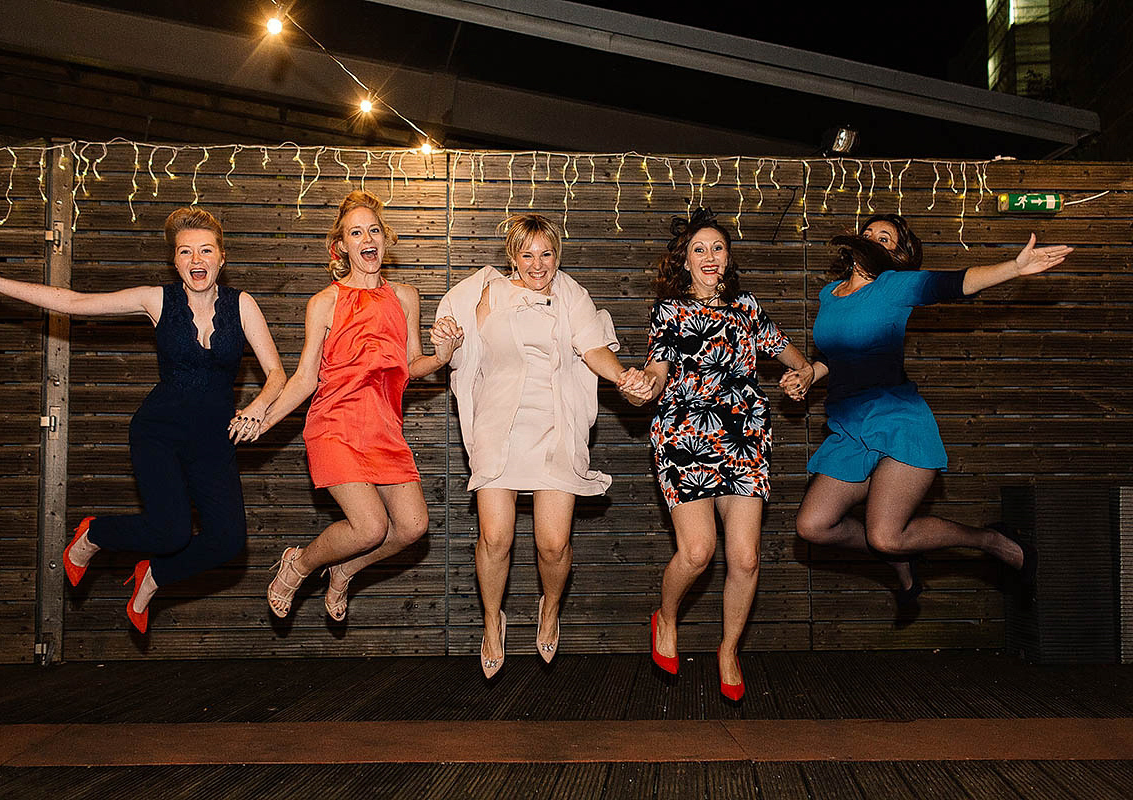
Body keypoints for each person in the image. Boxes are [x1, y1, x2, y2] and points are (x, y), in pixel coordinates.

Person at [0, 208, 286, 633]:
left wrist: (258, 407)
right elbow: (74, 302)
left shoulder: (243, 305)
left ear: (221, 258)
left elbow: (277, 374)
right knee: (171, 533)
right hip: (158, 433)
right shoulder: (156, 299)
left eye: (205, 250)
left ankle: (153, 576)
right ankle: (94, 534)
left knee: (227, 541)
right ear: (175, 260)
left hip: (212, 440)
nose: (195, 258)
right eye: (185, 251)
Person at [782, 213, 1072, 613]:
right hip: (849, 428)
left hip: (897, 422)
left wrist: (1015, 268)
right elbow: (841, 354)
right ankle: (903, 556)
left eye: (885, 238)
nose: (872, 239)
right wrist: (810, 374)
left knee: (885, 536)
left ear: (897, 254)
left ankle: (990, 540)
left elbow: (955, 283)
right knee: (812, 526)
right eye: (868, 233)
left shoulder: (894, 286)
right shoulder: (830, 294)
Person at [436, 213, 652, 678]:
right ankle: (493, 619)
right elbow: (456, 352)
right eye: (528, 254)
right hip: (499, 425)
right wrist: (446, 344)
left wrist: (624, 378)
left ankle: (550, 606)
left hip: (556, 426)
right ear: (512, 255)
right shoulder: (482, 294)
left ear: (558, 255)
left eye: (547, 254)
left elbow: (594, 348)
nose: (538, 265)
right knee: (496, 538)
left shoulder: (571, 294)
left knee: (553, 546)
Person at [624, 207, 811, 701]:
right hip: (684, 436)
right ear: (684, 261)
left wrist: (800, 377)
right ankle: (666, 617)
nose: (710, 256)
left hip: (745, 437)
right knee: (699, 552)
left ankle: (728, 649)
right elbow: (659, 369)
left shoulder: (747, 307)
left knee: (745, 559)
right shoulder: (668, 310)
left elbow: (798, 360)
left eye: (718, 248)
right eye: (699, 249)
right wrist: (645, 383)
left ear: (728, 258)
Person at [261, 190, 462, 625]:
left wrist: (442, 356)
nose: (367, 238)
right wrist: (265, 420)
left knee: (412, 527)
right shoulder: (325, 302)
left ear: (384, 240)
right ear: (342, 247)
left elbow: (410, 365)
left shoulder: (405, 296)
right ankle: (297, 566)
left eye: (374, 230)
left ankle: (345, 568)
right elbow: (304, 378)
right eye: (356, 232)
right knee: (369, 526)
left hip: (384, 429)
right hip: (333, 425)